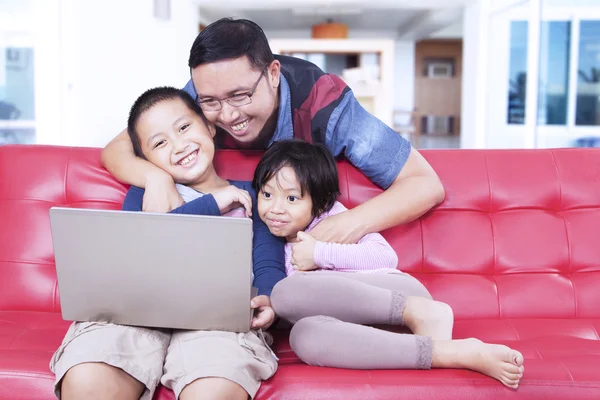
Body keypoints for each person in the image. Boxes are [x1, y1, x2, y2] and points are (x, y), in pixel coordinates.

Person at [100, 17, 445, 246]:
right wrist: (156, 179)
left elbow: (424, 183)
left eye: (240, 95)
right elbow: (117, 148)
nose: (228, 114)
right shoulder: (201, 96)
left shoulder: (324, 102)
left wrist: (346, 226)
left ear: (274, 73)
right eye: (211, 102)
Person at [49, 87, 286, 400]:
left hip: (221, 323)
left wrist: (269, 297)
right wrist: (213, 203)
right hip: (135, 314)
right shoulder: (147, 193)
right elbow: (142, 247)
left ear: (210, 128)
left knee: (214, 387)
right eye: (159, 143)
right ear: (146, 159)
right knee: (88, 378)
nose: (178, 145)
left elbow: (268, 260)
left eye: (184, 127)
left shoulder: (254, 196)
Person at [252, 140, 525, 389]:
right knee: (303, 336)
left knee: (287, 292)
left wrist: (320, 253)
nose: (275, 208)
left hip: (400, 296)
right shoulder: (270, 245)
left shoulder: (331, 219)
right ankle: (452, 352)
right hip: (373, 331)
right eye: (266, 195)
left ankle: (414, 312)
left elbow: (384, 257)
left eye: (291, 198)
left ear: (321, 202)